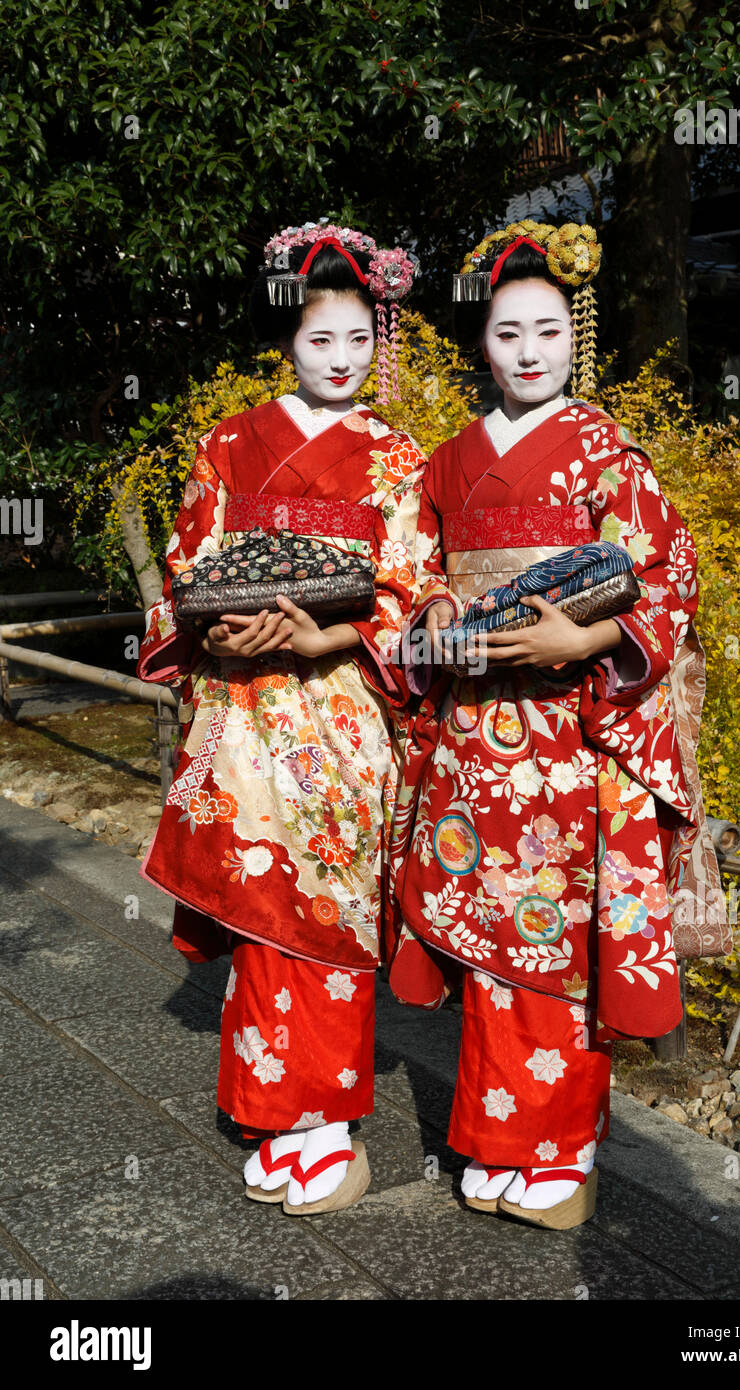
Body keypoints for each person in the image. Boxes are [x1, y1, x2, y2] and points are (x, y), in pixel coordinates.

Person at [388, 220, 727, 1230]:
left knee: (556, 940)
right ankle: (496, 1138)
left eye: (544, 330)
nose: (527, 351)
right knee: (492, 936)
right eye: (504, 333)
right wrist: (441, 622)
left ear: (571, 335)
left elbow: (669, 572)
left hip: (573, 735)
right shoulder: (445, 462)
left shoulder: (603, 452)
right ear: (479, 343)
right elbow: (408, 581)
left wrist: (585, 644)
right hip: (472, 727)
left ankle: (558, 1149)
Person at [136, 220, 424, 1215]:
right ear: (285, 343)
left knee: (324, 915)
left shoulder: (395, 457)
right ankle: (278, 1115)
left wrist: (322, 640)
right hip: (241, 709)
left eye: (356, 342)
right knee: (263, 916)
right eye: (317, 343)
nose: (340, 362)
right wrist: (214, 637)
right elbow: (184, 568)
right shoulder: (229, 442)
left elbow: (414, 590)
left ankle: (322, 1120)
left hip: (335, 710)